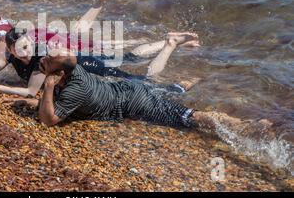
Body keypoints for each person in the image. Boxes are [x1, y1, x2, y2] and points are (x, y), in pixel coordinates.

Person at [35, 52, 273, 134]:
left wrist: (48, 87)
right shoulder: (74, 71)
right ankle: (201, 76)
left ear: (61, 75)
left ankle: (244, 127)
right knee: (173, 90)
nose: (42, 60)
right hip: (128, 89)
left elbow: (49, 120)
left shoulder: (74, 88)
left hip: (133, 102)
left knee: (188, 117)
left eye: (47, 61)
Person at [0, 29, 200, 97]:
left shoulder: (41, 60)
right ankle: (170, 42)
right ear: (9, 48)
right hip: (81, 61)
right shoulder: (12, 54)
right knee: (131, 60)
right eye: (17, 49)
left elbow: (31, 91)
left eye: (26, 47)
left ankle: (170, 44)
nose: (23, 53)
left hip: (90, 67)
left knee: (146, 82)